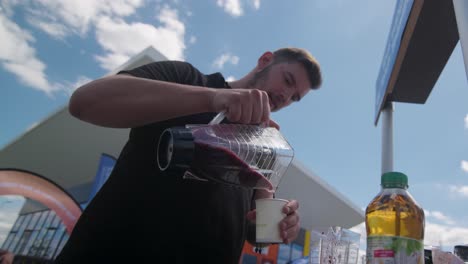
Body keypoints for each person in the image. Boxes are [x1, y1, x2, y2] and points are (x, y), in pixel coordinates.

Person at [54, 47, 322, 263]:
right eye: (287, 80)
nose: (286, 96)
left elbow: (259, 231)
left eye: (295, 97)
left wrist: (281, 223)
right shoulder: (187, 79)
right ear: (265, 60)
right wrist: (214, 98)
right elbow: (85, 102)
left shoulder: (267, 144)